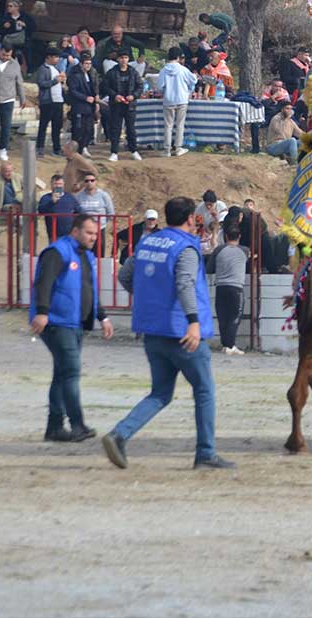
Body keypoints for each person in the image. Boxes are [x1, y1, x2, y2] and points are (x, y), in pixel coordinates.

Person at [102, 196, 234, 470]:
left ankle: (120, 434)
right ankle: (206, 452)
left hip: (152, 331)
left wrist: (153, 298)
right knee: (204, 389)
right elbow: (184, 284)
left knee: (160, 393)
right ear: (189, 219)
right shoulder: (185, 247)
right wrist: (193, 322)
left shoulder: (147, 242)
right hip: (181, 331)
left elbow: (125, 277)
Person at [29, 214, 113, 442]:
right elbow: (43, 283)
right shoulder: (57, 252)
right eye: (89, 233)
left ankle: (54, 428)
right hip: (57, 323)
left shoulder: (86, 255)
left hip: (75, 323)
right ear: (75, 231)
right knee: (72, 372)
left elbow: (89, 288)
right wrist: (43, 312)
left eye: (95, 234)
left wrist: (102, 317)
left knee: (62, 374)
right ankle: (77, 425)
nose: (94, 238)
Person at [209, 224, 248, 355]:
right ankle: (230, 345)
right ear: (240, 237)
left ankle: (225, 344)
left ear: (225, 236)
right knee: (234, 317)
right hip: (236, 287)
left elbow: (210, 268)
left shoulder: (218, 250)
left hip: (220, 287)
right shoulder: (244, 250)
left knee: (222, 317)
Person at [156, 46, 197, 157]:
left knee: (168, 125)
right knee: (180, 125)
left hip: (168, 100)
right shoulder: (183, 69)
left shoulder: (164, 70)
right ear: (179, 57)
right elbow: (194, 80)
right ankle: (178, 148)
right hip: (182, 99)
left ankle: (167, 150)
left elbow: (159, 86)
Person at [102, 51, 142, 162]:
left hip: (130, 105)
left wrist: (133, 96)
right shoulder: (112, 72)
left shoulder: (133, 72)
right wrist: (114, 95)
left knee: (131, 129)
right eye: (121, 58)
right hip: (116, 105)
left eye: (126, 57)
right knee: (115, 129)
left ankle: (134, 150)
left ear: (128, 59)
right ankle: (114, 152)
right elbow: (105, 86)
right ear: (118, 59)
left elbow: (140, 86)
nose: (123, 60)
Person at [73, 172, 114, 256]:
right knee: (84, 254)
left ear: (96, 182)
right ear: (84, 183)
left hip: (99, 228)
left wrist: (103, 224)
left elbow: (111, 213)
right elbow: (75, 212)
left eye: (92, 180)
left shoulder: (103, 195)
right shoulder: (78, 196)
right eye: (87, 181)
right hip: (85, 230)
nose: (89, 183)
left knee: (99, 254)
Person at [35, 47, 66, 157]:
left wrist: (61, 82)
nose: (57, 59)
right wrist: (55, 81)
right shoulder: (43, 69)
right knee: (43, 125)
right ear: (49, 57)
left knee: (57, 126)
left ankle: (56, 148)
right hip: (48, 101)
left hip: (58, 100)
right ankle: (40, 147)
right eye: (55, 57)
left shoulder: (56, 69)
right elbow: (41, 84)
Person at [66, 53, 98, 155]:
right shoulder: (75, 75)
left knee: (88, 129)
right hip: (79, 106)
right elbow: (73, 91)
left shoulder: (90, 74)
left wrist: (96, 99)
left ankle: (84, 147)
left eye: (90, 63)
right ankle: (76, 149)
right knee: (78, 129)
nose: (88, 65)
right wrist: (85, 98)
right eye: (86, 63)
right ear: (81, 64)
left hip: (89, 106)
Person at [38, 174, 81, 241]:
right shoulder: (46, 198)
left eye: (60, 184)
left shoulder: (70, 197)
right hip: (54, 234)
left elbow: (79, 210)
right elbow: (41, 211)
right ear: (51, 184)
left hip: (70, 234)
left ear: (63, 184)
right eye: (55, 184)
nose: (58, 186)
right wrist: (52, 202)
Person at [0, 0, 35, 69]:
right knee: (8, 48)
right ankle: (6, 67)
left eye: (11, 6)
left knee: (28, 49)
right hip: (9, 40)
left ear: (17, 7)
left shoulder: (24, 16)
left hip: (22, 40)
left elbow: (33, 27)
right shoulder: (6, 17)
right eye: (8, 6)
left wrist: (24, 25)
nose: (8, 8)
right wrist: (4, 26)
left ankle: (29, 70)